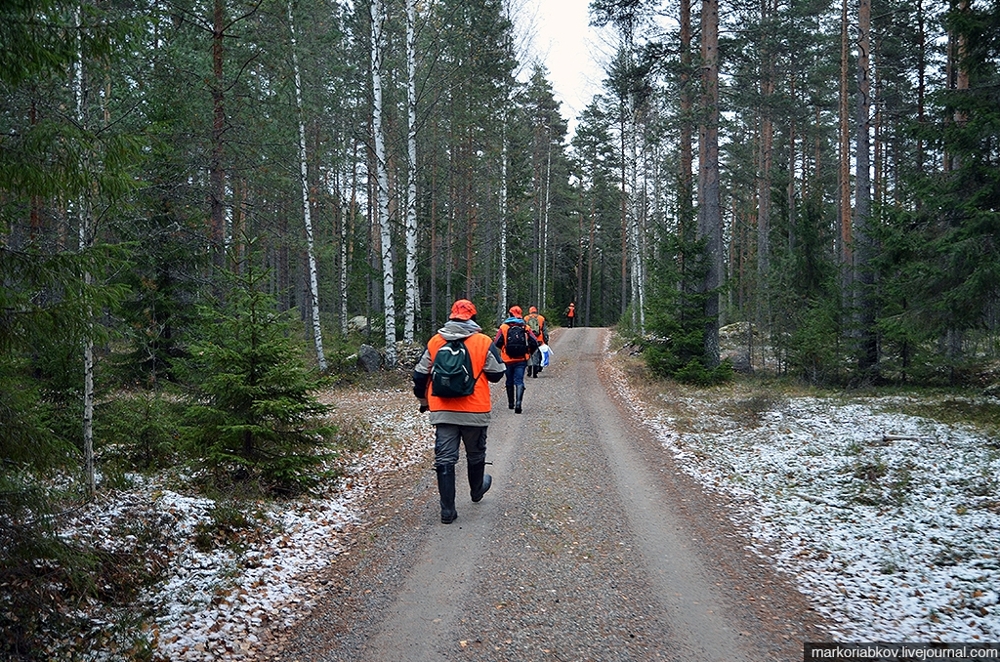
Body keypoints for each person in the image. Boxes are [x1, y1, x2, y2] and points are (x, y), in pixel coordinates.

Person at [413, 299, 506, 524]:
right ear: (472, 318)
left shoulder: (435, 342)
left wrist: (423, 400)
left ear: (451, 317)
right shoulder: (483, 341)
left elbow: (418, 375)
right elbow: (496, 374)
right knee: (475, 454)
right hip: (475, 410)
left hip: (443, 410)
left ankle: (447, 512)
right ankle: (477, 490)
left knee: (445, 458)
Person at [493, 305, 538, 414]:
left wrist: (504, 349)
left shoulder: (503, 327)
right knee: (519, 380)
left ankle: (511, 404)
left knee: (509, 380)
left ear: (510, 314)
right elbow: (534, 342)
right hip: (521, 359)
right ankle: (519, 403)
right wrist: (528, 352)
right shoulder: (525, 327)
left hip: (507, 359)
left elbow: (496, 342)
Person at [524, 306, 548, 378]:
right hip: (539, 340)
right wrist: (546, 340)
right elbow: (544, 331)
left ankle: (529, 369)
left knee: (529, 354)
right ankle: (535, 370)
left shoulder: (526, 318)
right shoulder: (541, 318)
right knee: (537, 355)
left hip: (529, 339)